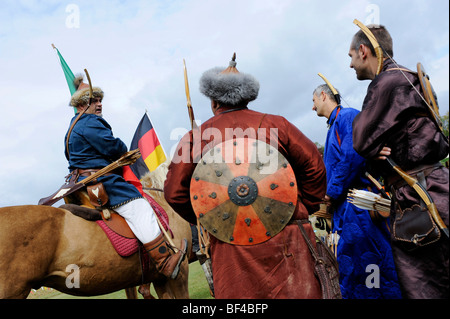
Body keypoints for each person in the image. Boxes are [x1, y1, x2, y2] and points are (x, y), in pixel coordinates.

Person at [164, 55, 327, 298]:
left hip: (232, 247)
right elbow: (315, 167)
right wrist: (300, 206)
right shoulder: (278, 124)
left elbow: (174, 193)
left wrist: (213, 215)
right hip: (288, 237)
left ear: (213, 101)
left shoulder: (195, 138)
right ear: (246, 96)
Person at [349, 24, 449, 299]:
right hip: (433, 187)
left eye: (351, 56)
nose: (351, 64)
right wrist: (375, 149)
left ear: (363, 50)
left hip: (417, 197)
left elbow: (360, 140)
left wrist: (373, 147)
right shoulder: (410, 77)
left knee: (425, 289)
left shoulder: (386, 82)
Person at [65, 75, 186, 279]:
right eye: (94, 100)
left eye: (100, 100)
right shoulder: (90, 122)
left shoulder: (72, 127)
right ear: (81, 104)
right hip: (100, 181)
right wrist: (123, 148)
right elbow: (113, 147)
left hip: (79, 183)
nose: (99, 104)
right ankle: (164, 261)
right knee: (139, 206)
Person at [312, 83, 401, 298]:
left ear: (323, 95)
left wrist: (331, 193)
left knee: (371, 261)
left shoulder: (347, 116)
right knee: (351, 265)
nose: (313, 108)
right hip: (346, 207)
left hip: (359, 204)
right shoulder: (334, 124)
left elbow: (351, 157)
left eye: (313, 101)